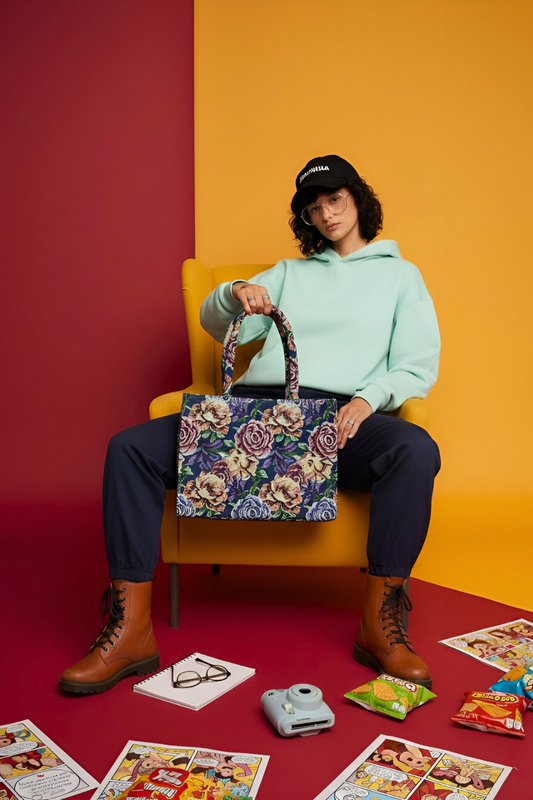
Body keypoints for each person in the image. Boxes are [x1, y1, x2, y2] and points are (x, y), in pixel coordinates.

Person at [59, 154, 440, 694]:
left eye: (335, 199)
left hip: (339, 418)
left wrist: (368, 399)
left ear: (357, 198)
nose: (327, 214)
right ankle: (130, 632)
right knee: (129, 448)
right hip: (258, 410)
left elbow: (416, 365)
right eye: (314, 208)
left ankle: (380, 627)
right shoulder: (289, 273)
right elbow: (216, 323)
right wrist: (234, 291)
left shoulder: (401, 276)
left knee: (415, 449)